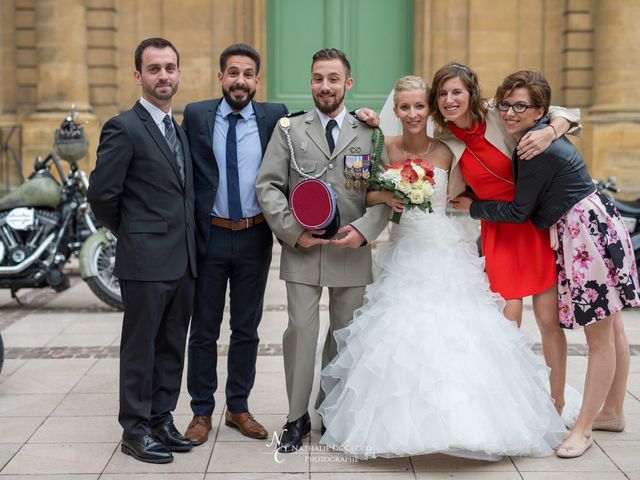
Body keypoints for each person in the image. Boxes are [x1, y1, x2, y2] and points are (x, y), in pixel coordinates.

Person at [317, 75, 568, 460]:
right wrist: (385, 189)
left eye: (420, 106)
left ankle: (474, 419)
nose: (413, 113)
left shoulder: (450, 149)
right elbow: (359, 188)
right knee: (398, 333)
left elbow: (472, 188)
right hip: (403, 248)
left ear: (428, 108)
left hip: (445, 244)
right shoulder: (381, 145)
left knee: (460, 330)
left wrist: (556, 127)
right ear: (395, 111)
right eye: (405, 107)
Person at [452, 70, 640, 458]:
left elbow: (522, 210)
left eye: (521, 106)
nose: (509, 113)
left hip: (585, 232)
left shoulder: (535, 147)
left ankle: (583, 429)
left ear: (539, 109)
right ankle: (613, 412)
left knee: (600, 335)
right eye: (505, 104)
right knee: (614, 325)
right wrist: (554, 126)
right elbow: (559, 113)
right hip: (591, 223)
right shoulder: (531, 130)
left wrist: (475, 207)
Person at [256, 48, 390, 453]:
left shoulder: (370, 133)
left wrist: (365, 232)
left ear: (348, 84)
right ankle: (296, 417)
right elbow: (267, 186)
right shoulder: (288, 130)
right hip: (302, 251)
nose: (325, 86)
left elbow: (384, 193)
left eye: (333, 78)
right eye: (318, 78)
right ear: (311, 81)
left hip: (350, 251)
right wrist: (294, 233)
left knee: (344, 334)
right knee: (300, 331)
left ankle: (331, 410)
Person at [428, 62, 579, 417]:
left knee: (547, 319)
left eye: (457, 92)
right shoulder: (445, 141)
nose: (450, 100)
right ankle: (506, 405)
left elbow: (563, 112)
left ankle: (556, 403)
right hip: (497, 230)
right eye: (443, 94)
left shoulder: (501, 113)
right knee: (505, 322)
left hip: (535, 224)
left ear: (472, 93)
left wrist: (551, 130)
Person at [87, 37, 196, 464]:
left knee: (171, 345)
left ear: (179, 73)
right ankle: (134, 430)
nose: (163, 76)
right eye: (154, 69)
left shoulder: (179, 128)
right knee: (141, 347)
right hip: (145, 261)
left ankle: (160, 419)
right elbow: (102, 195)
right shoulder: (123, 127)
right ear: (138, 75)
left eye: (170, 67)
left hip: (183, 259)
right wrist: (134, 233)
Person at [181, 44, 288, 445]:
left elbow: (316, 127)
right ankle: (200, 412)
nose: (239, 80)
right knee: (204, 330)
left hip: (254, 235)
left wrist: (362, 117)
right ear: (220, 77)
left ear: (257, 81)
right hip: (209, 235)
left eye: (247, 74)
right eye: (232, 72)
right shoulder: (195, 115)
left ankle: (238, 407)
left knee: (246, 328)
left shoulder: (275, 116)